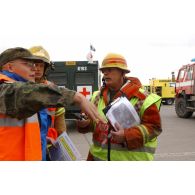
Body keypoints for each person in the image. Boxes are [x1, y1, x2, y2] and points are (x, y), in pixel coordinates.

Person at [0, 47, 104, 161]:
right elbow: (24, 93)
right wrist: (76, 97)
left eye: (36, 65)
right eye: (27, 64)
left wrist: (42, 137)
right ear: (10, 67)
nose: (34, 69)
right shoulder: (5, 89)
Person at [77, 53, 162, 161]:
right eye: (103, 70)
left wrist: (127, 135)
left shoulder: (143, 98)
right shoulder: (97, 97)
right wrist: (85, 124)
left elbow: (154, 128)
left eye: (110, 69)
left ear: (123, 73)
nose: (105, 73)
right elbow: (94, 125)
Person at [29, 46, 66, 161]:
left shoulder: (52, 89)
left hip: (49, 148)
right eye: (35, 65)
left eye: (41, 66)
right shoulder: (19, 89)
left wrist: (60, 143)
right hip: (29, 145)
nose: (38, 69)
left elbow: (60, 126)